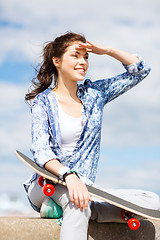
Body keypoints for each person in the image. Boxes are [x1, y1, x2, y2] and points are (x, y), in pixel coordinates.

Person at [24, 32, 160, 240]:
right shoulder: (42, 102)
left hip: (84, 186)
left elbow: (140, 71)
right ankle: (78, 206)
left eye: (86, 57)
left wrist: (108, 51)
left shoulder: (95, 95)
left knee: (151, 200)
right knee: (77, 204)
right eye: (75, 55)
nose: (83, 62)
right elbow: (42, 151)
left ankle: (83, 209)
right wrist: (69, 176)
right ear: (57, 61)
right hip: (47, 183)